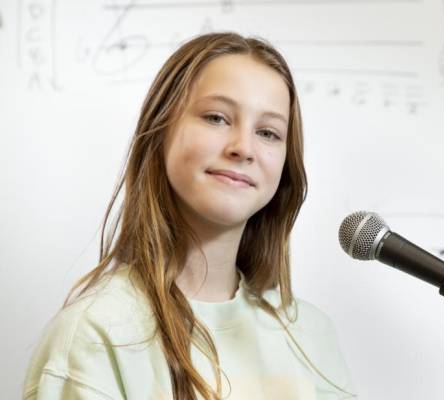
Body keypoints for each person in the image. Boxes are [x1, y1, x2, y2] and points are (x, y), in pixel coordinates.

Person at [22, 32, 356, 400]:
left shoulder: (311, 334)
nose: (243, 148)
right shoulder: (96, 335)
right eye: (216, 118)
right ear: (160, 132)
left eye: (268, 132)